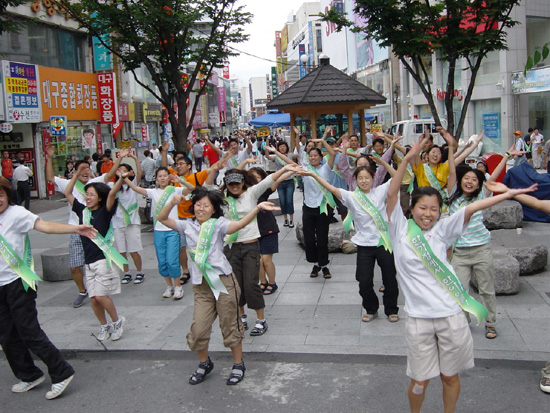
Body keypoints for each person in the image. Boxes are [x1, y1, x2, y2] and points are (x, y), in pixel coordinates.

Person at [385, 138, 535, 413]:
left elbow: (472, 208)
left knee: (449, 377)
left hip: (450, 317)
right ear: (412, 208)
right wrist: (406, 158)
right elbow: (393, 194)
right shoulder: (399, 229)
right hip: (419, 319)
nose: (428, 214)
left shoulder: (443, 229)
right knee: (419, 381)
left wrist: (509, 194)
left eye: (434, 209)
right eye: (422, 208)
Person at [158, 188, 279, 386]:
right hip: (201, 286)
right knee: (198, 329)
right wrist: (172, 202)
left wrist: (257, 208)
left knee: (230, 324)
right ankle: (204, 363)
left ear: (213, 209)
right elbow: (161, 218)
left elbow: (238, 225)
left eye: (206, 205)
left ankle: (238, 364)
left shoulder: (218, 224)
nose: (201, 208)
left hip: (223, 283)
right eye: (198, 204)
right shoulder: (186, 225)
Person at [0, 177, 95, 400]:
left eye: (0, 195)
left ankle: (61, 371)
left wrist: (76, 228)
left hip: (19, 281)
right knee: (6, 335)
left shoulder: (16, 214)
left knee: (28, 331)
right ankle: (29, 374)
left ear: (7, 195)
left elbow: (46, 226)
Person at [220, 164, 295, 336]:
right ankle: (242, 316)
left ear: (243, 182)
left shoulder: (251, 193)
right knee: (236, 284)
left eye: (237, 183)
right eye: (231, 184)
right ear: (226, 184)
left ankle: (261, 320)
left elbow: (269, 179)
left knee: (251, 283)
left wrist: (285, 168)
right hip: (231, 246)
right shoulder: (223, 199)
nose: (234, 186)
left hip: (250, 245)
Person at [64, 163, 128, 342]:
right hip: (89, 261)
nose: (88, 197)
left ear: (100, 198)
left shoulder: (104, 212)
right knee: (93, 299)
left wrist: (120, 179)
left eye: (92, 194)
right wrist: (76, 174)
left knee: (100, 296)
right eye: (87, 194)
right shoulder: (82, 211)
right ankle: (104, 325)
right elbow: (68, 193)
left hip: (102, 260)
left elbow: (112, 194)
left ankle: (116, 321)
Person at [46, 146, 107, 308]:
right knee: (74, 267)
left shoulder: (94, 184)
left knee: (94, 263)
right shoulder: (69, 184)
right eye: (82, 169)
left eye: (88, 169)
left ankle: (97, 289)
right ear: (75, 172)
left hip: (93, 229)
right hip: (75, 229)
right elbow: (50, 178)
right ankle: (82, 290)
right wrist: (50, 158)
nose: (85, 172)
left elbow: (109, 176)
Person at [124, 167, 193, 299]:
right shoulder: (152, 192)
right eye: (159, 176)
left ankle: (178, 286)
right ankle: (169, 286)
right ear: (156, 178)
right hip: (158, 231)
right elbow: (136, 188)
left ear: (169, 177)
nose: (162, 178)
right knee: (162, 261)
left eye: (165, 175)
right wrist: (125, 178)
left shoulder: (174, 190)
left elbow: (191, 189)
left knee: (172, 260)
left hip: (172, 230)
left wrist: (181, 181)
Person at [103, 152, 145, 285]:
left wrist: (135, 158)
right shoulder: (112, 186)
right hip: (117, 222)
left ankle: (139, 272)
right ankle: (126, 273)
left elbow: (139, 173)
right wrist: (119, 165)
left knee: (133, 250)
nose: (121, 172)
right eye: (119, 170)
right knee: (121, 251)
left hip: (132, 222)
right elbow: (110, 193)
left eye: (124, 171)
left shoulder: (133, 185)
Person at [300, 147, 334, 278]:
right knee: (309, 238)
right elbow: (290, 160)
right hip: (308, 206)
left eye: (315, 155)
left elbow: (332, 153)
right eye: (311, 155)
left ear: (320, 157)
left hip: (322, 207)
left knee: (322, 238)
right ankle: (316, 263)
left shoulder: (326, 168)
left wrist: (324, 140)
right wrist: (276, 152)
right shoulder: (305, 169)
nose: (313, 157)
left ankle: (324, 265)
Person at [264, 141, 296, 227]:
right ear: (278, 148)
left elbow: (298, 154)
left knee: (289, 201)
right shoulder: (276, 157)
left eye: (284, 146)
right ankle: (285, 219)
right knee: (282, 201)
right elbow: (267, 156)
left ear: (287, 147)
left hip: (289, 181)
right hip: (280, 182)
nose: (282, 148)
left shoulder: (290, 156)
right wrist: (266, 146)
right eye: (280, 146)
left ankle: (291, 220)